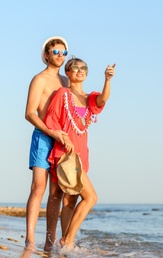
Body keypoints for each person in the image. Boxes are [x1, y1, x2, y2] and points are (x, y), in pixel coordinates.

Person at [44, 57, 116, 248]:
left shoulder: (89, 98)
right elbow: (51, 119)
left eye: (83, 67)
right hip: (65, 153)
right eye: (74, 67)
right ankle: (68, 240)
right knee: (91, 197)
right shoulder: (62, 93)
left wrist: (107, 80)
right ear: (67, 73)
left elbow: (102, 100)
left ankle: (65, 243)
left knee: (70, 200)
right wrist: (62, 138)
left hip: (81, 155)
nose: (79, 70)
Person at [24, 36, 77, 252]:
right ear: (46, 55)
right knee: (38, 187)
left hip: (62, 141)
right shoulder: (39, 79)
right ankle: (29, 240)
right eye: (56, 52)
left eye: (64, 53)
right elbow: (29, 113)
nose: (60, 56)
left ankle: (49, 241)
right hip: (43, 137)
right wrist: (51, 132)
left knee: (57, 193)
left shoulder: (66, 81)